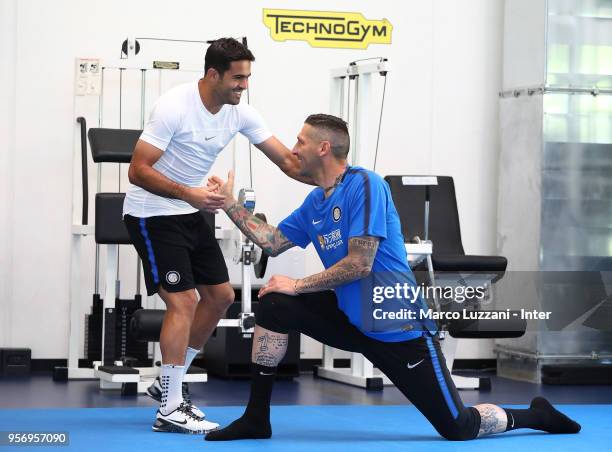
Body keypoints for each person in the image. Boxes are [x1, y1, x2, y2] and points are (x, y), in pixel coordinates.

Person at [204, 113, 581, 441]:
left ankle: (536, 415)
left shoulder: (365, 185)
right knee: (274, 304)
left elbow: (360, 264)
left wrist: (298, 284)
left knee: (458, 427)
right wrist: (230, 204)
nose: (294, 148)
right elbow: (271, 241)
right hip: (350, 320)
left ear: (323, 148)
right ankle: (256, 418)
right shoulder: (315, 203)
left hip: (396, 329)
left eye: (300, 141)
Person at [123, 37, 310, 434]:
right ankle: (169, 409)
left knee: (220, 297)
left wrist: (337, 177)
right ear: (213, 74)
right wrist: (188, 192)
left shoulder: (240, 112)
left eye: (247, 78)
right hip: (152, 213)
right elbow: (137, 170)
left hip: (193, 212)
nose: (244, 86)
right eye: (238, 78)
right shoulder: (174, 107)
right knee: (183, 302)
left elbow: (289, 163)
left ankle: (166, 384)